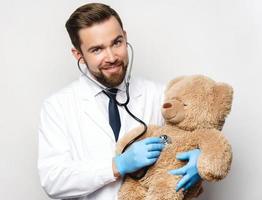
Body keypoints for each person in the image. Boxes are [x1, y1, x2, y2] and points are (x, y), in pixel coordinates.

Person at [38, 3, 201, 200]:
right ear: (78, 55)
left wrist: (200, 160)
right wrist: (117, 165)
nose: (112, 57)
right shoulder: (57, 107)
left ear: (125, 37)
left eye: (117, 43)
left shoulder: (159, 95)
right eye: (97, 50)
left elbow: (191, 136)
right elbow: (53, 180)